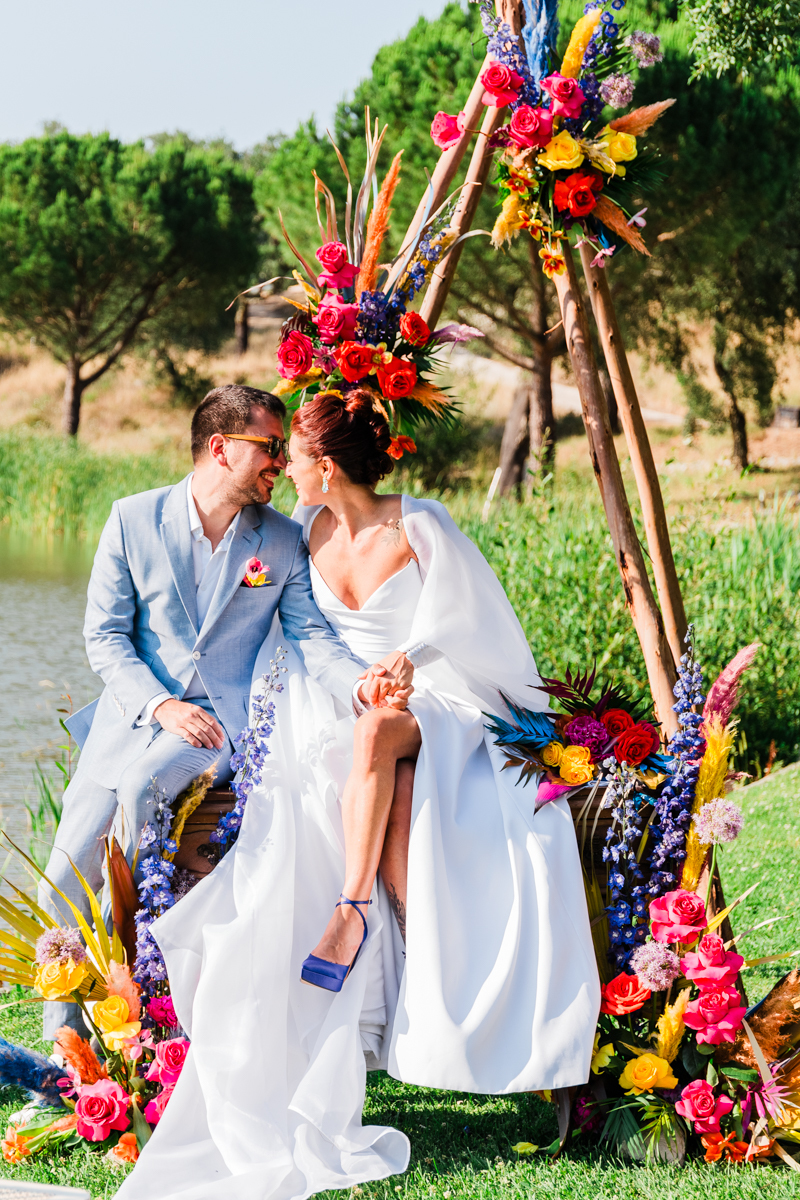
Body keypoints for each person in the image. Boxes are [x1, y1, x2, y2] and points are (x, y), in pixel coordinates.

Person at [119, 388, 600, 1200]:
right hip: (354, 702)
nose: (280, 471)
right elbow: (299, 637)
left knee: (379, 735)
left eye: (291, 458)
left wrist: (409, 663)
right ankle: (357, 940)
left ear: (326, 465)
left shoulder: (420, 524)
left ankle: (352, 912)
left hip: (446, 702)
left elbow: (481, 630)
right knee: (359, 757)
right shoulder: (301, 535)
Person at [39, 384, 411, 1040]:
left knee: (137, 809)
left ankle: (121, 1025)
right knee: (59, 882)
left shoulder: (282, 541)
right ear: (220, 448)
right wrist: (159, 704)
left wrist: (362, 687)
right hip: (131, 720)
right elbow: (105, 637)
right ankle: (64, 1051)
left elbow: (312, 638)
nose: (280, 460)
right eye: (269, 447)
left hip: (218, 728)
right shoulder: (131, 519)